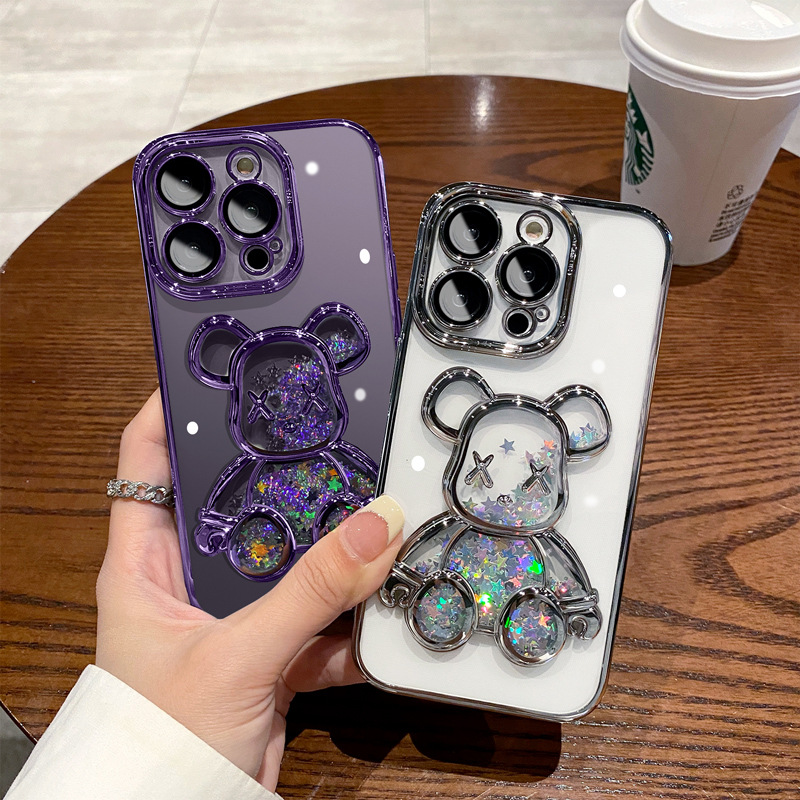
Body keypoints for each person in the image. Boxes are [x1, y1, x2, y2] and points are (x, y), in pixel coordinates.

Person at [7, 391, 405, 799]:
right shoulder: (254, 464)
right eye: (265, 410)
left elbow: (367, 470)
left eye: (309, 406)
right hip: (275, 545)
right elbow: (231, 484)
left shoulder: (338, 455)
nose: (289, 421)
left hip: (332, 540)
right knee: (265, 537)